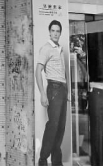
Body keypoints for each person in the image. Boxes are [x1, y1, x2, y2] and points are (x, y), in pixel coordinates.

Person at [35, 20, 68, 166]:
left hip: (62, 89)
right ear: (49, 32)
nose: (55, 33)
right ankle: (43, 160)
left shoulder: (60, 49)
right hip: (53, 89)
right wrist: (42, 93)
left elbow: (63, 73)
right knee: (53, 126)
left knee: (60, 127)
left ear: (60, 33)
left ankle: (56, 162)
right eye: (53, 30)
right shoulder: (46, 48)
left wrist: (67, 91)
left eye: (57, 31)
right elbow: (38, 71)